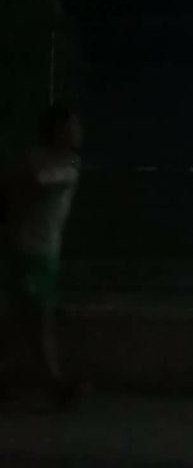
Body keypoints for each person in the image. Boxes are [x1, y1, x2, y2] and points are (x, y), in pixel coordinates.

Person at [1, 104, 83, 403]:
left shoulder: (67, 165)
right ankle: (53, 381)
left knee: (22, 317)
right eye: (72, 126)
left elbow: (35, 181)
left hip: (41, 251)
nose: (78, 132)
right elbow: (30, 183)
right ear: (58, 131)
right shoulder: (41, 161)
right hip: (30, 251)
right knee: (36, 319)